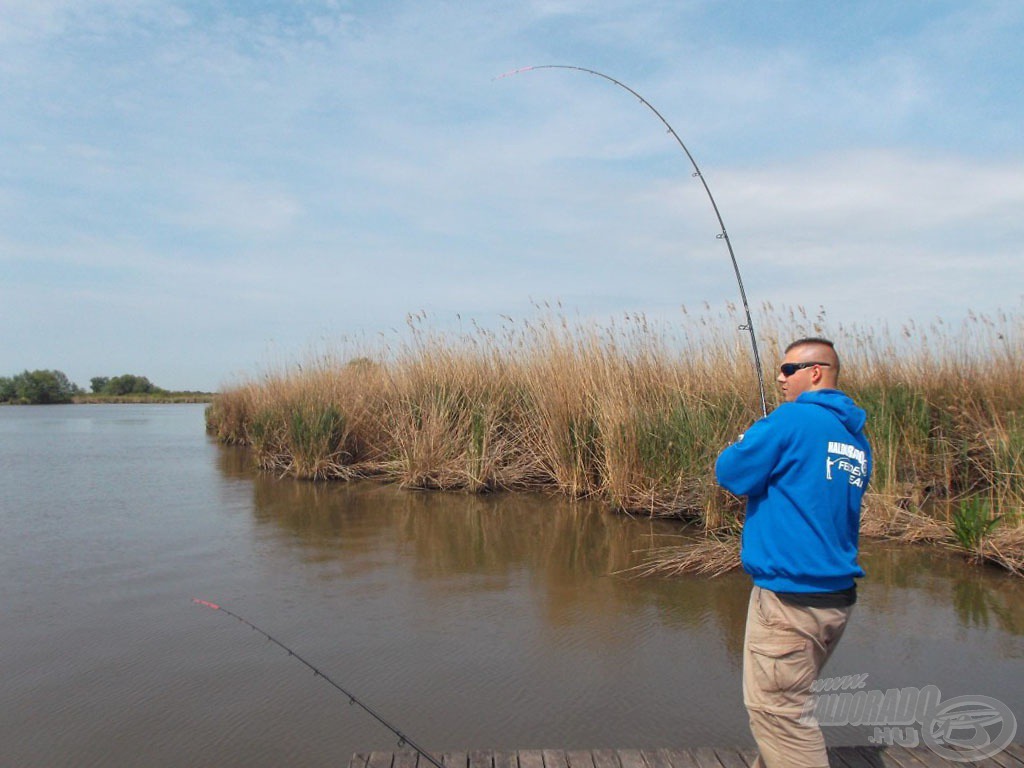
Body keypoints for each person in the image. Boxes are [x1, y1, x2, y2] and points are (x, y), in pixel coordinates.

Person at [715, 337, 871, 768]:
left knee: (780, 719)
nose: (780, 379)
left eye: (788, 371)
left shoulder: (790, 421)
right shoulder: (855, 437)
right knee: (788, 707)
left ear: (815, 372)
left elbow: (730, 472)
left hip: (789, 601)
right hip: (835, 602)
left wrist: (752, 434)